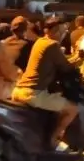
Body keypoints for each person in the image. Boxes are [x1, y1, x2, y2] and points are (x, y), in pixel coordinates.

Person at [12, 17, 79, 151]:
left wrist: (74, 58)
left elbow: (56, 61)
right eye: (62, 31)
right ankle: (53, 140)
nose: (64, 33)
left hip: (19, 90)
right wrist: (78, 60)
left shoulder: (40, 42)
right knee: (72, 109)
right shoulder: (52, 45)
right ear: (56, 31)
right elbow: (66, 67)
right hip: (33, 94)